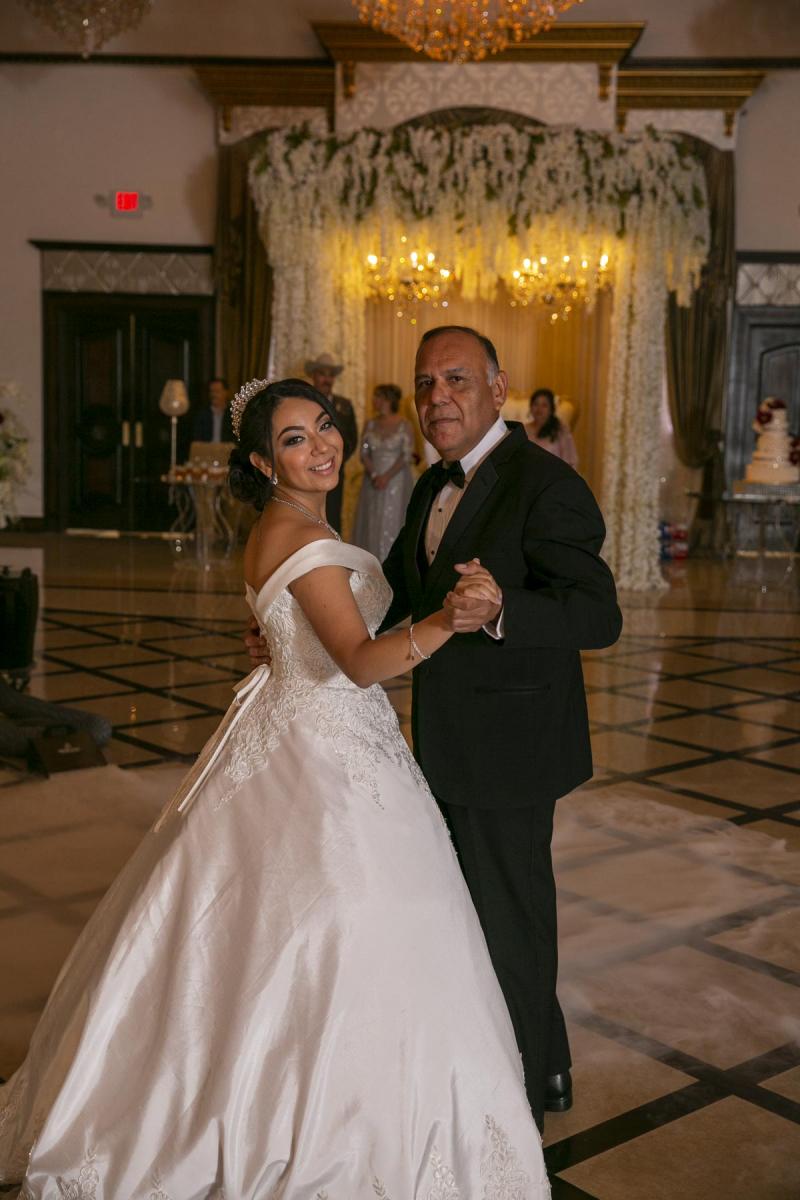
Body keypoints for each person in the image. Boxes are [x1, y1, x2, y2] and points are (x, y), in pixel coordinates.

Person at [0, 377, 550, 1198]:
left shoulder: (289, 528)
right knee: (342, 924)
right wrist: (447, 620)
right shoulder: (303, 539)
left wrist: (286, 639)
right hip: (324, 759)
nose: (321, 445)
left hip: (315, 735)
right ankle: (333, 1120)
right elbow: (359, 663)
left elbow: (306, 633)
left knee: (282, 930)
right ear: (262, 461)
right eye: (295, 439)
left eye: (324, 426)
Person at [247, 327, 621, 1131]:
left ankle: (519, 1103)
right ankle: (547, 1063)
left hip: (512, 745)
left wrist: (503, 609)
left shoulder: (546, 484)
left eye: (456, 379)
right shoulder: (430, 485)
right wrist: (301, 624)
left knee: (510, 920)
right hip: (441, 741)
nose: (437, 397)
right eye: (425, 383)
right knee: (476, 915)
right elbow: (399, 594)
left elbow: (599, 614)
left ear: (499, 387)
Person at [351, 383, 415, 561]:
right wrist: (374, 475)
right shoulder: (370, 424)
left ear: (388, 399)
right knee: (372, 520)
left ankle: (391, 563)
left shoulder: (404, 425)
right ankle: (371, 564)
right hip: (373, 480)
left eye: (378, 396)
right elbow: (363, 454)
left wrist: (386, 476)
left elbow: (406, 455)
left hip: (396, 481)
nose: (374, 400)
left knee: (394, 520)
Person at [305, 351, 358, 532]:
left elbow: (352, 439)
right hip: (307, 471)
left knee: (333, 515)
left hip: (335, 471)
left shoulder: (344, 405)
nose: (327, 379)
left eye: (330, 375)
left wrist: (335, 461)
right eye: (322, 374)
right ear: (313, 375)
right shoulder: (303, 403)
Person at [525, 386, 579, 469]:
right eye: (536, 404)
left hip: (555, 475)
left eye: (544, 405)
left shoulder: (560, 430)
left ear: (551, 409)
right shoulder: (524, 429)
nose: (539, 409)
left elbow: (571, 461)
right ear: (531, 407)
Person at [192, 376, 235, 442]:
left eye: (217, 391)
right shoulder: (202, 414)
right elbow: (196, 439)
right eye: (211, 391)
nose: (213, 395)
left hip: (226, 448)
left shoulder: (233, 414)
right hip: (206, 448)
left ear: (226, 392)